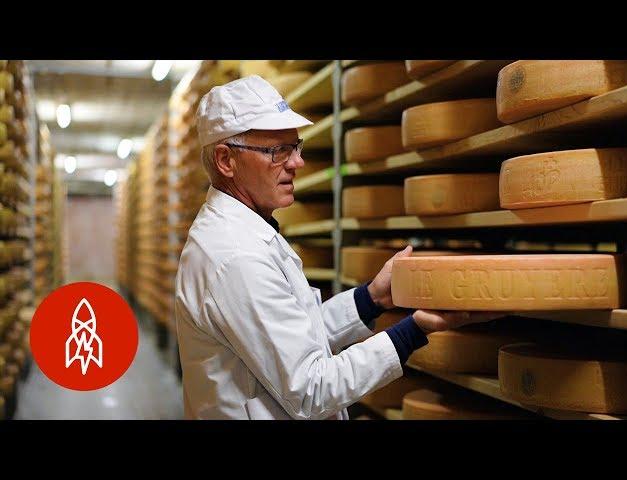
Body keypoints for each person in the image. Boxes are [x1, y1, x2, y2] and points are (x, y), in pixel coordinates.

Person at [175, 75, 499, 419]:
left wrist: (371, 298)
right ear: (226, 161)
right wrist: (413, 331)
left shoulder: (245, 233)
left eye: (295, 146)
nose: (297, 162)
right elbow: (311, 388)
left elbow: (296, 338)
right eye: (277, 151)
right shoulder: (236, 256)